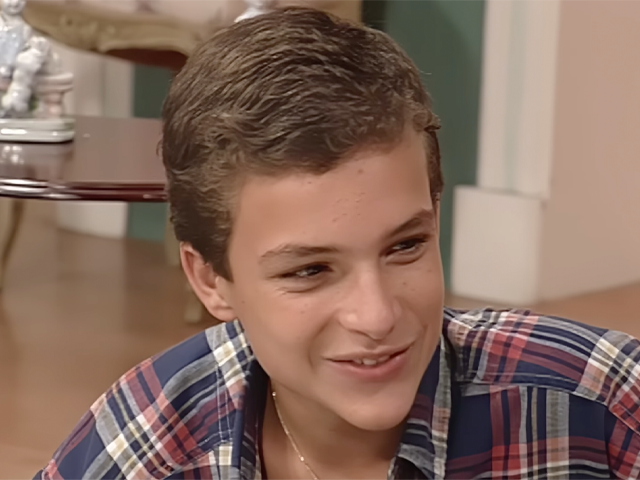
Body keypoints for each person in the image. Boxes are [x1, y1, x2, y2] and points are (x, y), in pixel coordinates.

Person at [34, 7, 640, 480]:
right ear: (211, 280)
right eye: (309, 271)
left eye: (405, 246)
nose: (376, 316)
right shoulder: (146, 448)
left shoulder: (602, 404)